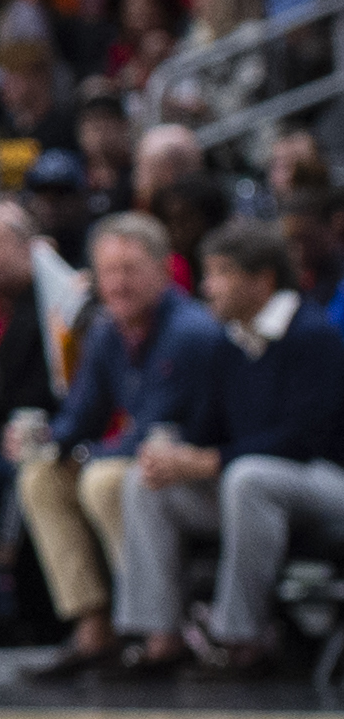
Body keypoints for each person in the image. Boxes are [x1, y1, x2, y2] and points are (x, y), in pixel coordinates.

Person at [109, 223, 344, 681]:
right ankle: (161, 638)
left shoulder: (314, 336)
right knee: (146, 482)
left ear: (263, 280)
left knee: (249, 476)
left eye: (220, 273)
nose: (206, 287)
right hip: (255, 487)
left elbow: (307, 437)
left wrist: (211, 460)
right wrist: (175, 454)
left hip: (327, 481)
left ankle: (242, 640)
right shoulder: (226, 344)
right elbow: (207, 430)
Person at [13, 213, 222, 680]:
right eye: (109, 272)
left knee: (105, 480)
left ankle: (157, 630)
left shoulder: (191, 331)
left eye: (130, 269)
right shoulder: (108, 329)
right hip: (143, 460)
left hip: (191, 470)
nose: (118, 284)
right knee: (42, 477)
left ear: (163, 271)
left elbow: (157, 428)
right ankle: (93, 627)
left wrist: (89, 455)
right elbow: (81, 415)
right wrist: (45, 443)